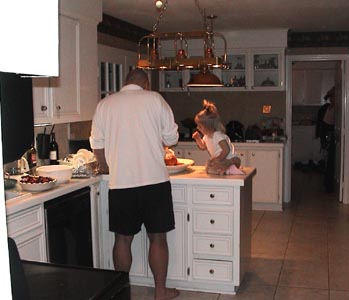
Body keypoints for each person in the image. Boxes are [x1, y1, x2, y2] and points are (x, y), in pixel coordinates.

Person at [90, 69, 180, 300]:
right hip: (155, 182)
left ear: (125, 82)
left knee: (122, 239)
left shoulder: (105, 104)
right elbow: (172, 139)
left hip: (121, 184)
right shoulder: (155, 99)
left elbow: (97, 145)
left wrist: (106, 167)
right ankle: (160, 292)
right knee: (158, 238)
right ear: (145, 83)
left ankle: (121, 292)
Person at [192, 99, 242, 175]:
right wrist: (197, 138)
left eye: (200, 126)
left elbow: (226, 150)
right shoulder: (207, 136)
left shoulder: (217, 135)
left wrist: (218, 159)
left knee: (211, 168)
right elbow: (202, 146)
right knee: (209, 166)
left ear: (208, 127)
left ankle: (228, 169)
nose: (198, 128)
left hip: (231, 159)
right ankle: (225, 170)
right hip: (223, 159)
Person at [316, 86, 336, 193]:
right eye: (331, 98)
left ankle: (329, 183)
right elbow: (322, 123)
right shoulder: (326, 108)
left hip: (332, 135)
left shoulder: (338, 109)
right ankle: (326, 181)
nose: (332, 99)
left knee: (331, 160)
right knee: (327, 158)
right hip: (326, 134)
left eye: (333, 97)